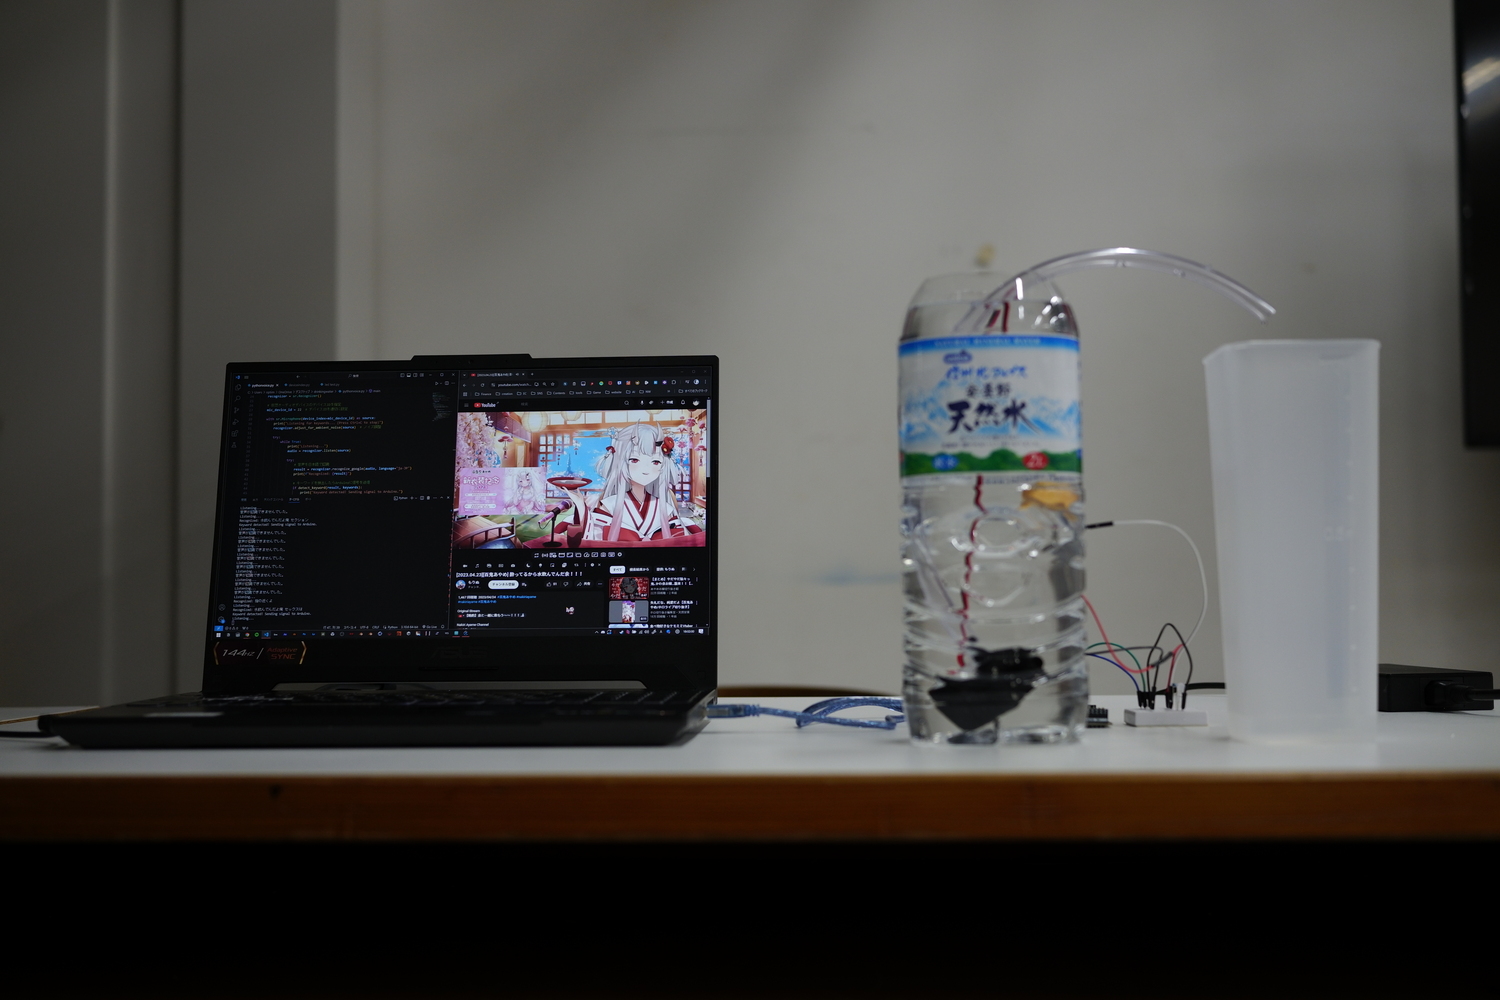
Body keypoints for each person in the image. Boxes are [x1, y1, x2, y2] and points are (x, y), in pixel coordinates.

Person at [571, 422, 701, 543]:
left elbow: (680, 540)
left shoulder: (665, 507)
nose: (646, 469)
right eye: (634, 460)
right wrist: (580, 505)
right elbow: (594, 538)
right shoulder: (610, 504)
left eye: (655, 462)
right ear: (620, 462)